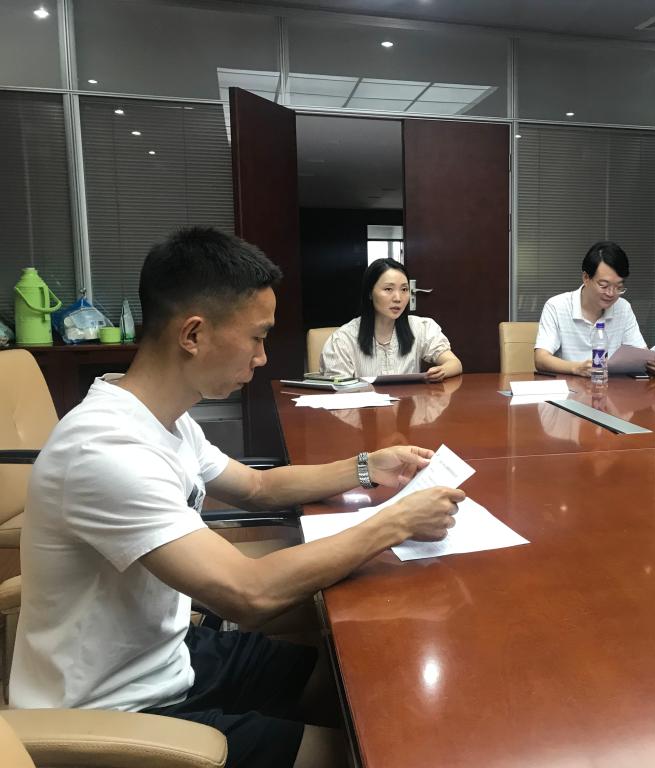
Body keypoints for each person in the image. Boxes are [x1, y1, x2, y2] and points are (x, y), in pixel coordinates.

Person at [10, 228, 465, 768]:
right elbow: (248, 593)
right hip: (117, 710)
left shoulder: (163, 419)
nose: (263, 357)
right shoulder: (107, 449)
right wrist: (396, 522)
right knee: (348, 754)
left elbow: (257, 486)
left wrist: (367, 467)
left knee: (345, 684)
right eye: (256, 337)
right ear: (193, 334)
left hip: (168, 655)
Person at [533, 241, 655, 377]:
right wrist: (577, 368)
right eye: (604, 285)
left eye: (619, 287)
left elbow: (641, 354)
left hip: (612, 388)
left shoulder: (623, 308)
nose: (611, 293)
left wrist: (652, 364)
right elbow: (541, 359)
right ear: (586, 278)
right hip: (569, 387)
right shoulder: (556, 306)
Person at [320, 258, 462, 382]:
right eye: (388, 289)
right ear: (370, 293)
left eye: (404, 289)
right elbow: (338, 390)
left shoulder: (422, 327)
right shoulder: (342, 340)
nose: (398, 298)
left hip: (407, 404)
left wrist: (442, 371)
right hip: (363, 405)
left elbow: (454, 363)